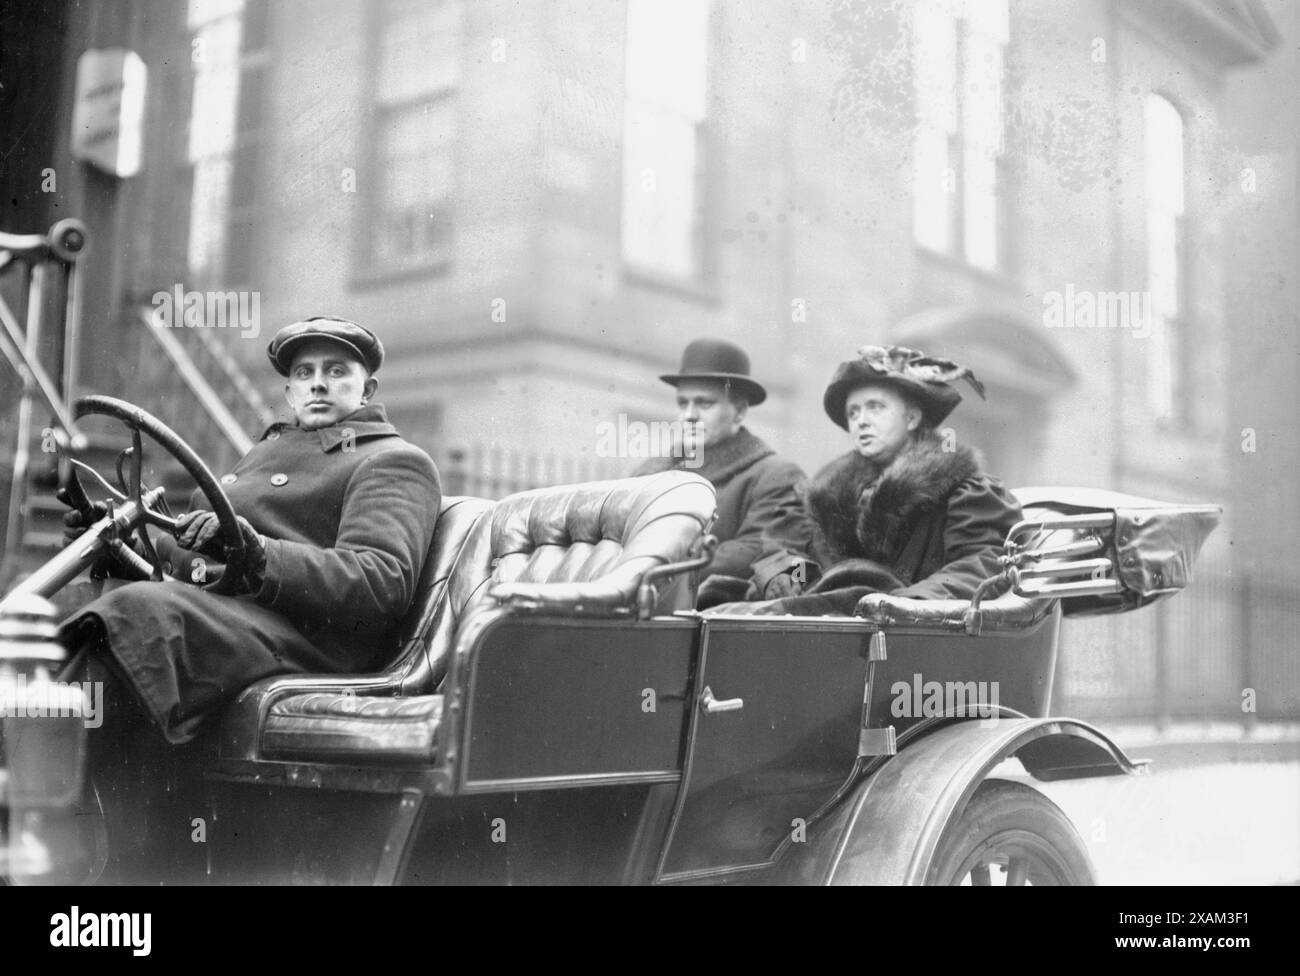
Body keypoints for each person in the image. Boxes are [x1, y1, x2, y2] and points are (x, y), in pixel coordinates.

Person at [42, 316, 441, 880]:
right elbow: (196, 557)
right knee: (71, 602)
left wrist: (261, 555)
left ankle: (42, 808)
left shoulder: (391, 460)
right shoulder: (265, 454)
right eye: (304, 373)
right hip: (233, 619)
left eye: (336, 371)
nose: (318, 384)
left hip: (308, 640)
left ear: (367, 389)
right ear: (288, 390)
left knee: (140, 614)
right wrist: (121, 544)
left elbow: (378, 580)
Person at [718, 344, 1022, 616]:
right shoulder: (828, 496)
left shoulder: (964, 491)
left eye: (875, 407)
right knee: (718, 602)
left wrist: (908, 603)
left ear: (912, 418)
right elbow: (794, 554)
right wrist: (789, 577)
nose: (861, 420)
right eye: (853, 412)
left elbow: (982, 561)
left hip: (914, 632)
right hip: (831, 622)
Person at [632, 338, 813, 599]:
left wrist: (650, 565)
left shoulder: (775, 476)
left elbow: (757, 551)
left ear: (739, 412)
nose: (689, 415)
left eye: (704, 404)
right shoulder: (651, 473)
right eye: (683, 403)